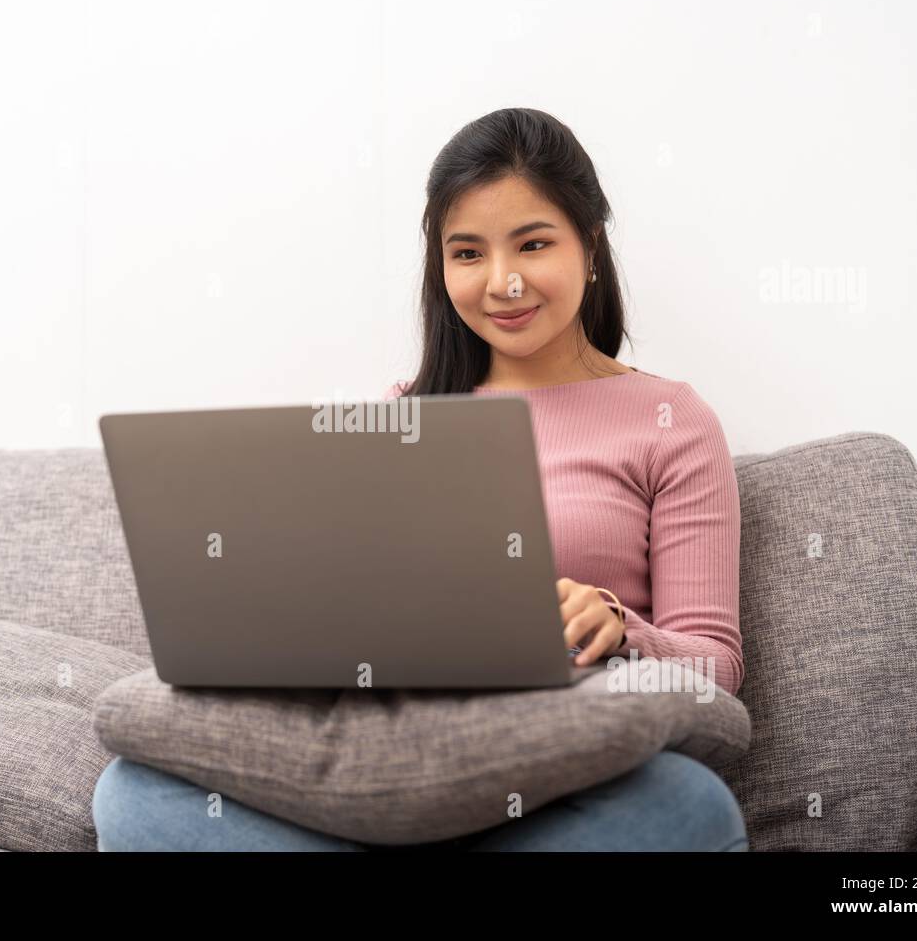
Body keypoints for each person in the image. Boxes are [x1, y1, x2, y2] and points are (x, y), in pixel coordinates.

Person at [94, 107, 748, 851]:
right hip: (389, 767)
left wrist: (618, 628)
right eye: (467, 254)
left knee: (687, 808)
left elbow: (715, 668)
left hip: (562, 772)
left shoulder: (672, 420)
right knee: (134, 797)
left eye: (533, 244)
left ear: (590, 245)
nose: (503, 283)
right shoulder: (400, 415)